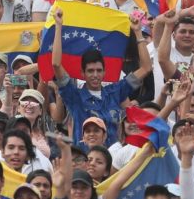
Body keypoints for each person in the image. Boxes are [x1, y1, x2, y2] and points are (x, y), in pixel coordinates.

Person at [51, 8, 148, 146]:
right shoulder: (74, 96)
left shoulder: (116, 92)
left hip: (113, 161)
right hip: (85, 162)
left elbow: (146, 68)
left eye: (98, 70)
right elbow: (55, 64)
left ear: (104, 73)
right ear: (82, 74)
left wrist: (138, 32)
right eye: (90, 71)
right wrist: (59, 26)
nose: (95, 75)